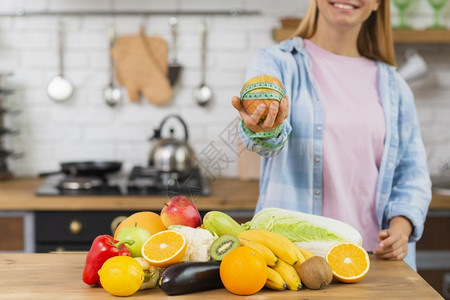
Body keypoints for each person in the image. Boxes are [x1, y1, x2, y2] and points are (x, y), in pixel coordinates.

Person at [232, 0, 431, 270]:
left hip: (371, 259)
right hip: (293, 260)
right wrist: (263, 128)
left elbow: (412, 174)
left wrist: (401, 228)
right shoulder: (277, 62)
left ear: (376, 4)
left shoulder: (395, 86)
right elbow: (265, 139)